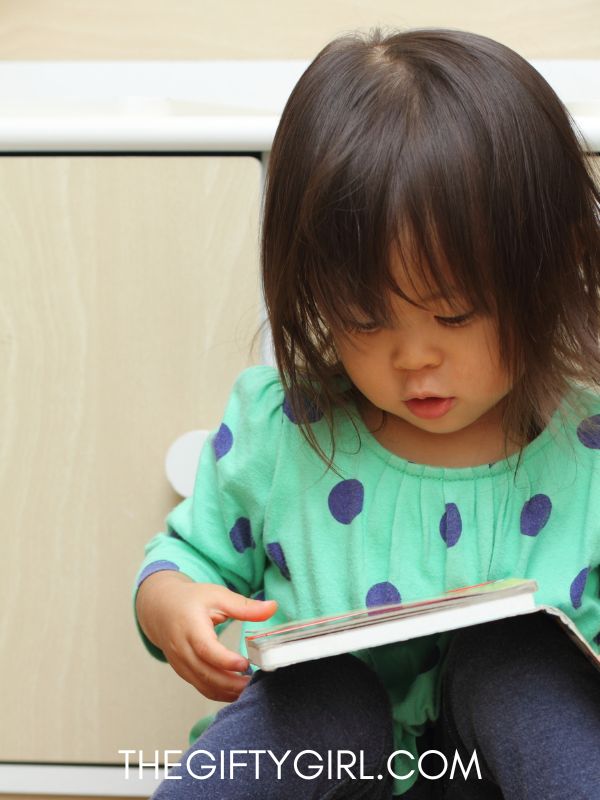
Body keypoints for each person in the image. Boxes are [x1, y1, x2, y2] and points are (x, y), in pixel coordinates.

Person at [133, 27, 600, 799]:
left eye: (455, 315)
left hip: (503, 773)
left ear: (543, 275)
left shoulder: (585, 448)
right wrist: (174, 607)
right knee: (322, 694)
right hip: (333, 769)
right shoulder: (283, 427)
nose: (413, 358)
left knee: (519, 667)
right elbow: (183, 559)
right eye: (366, 319)